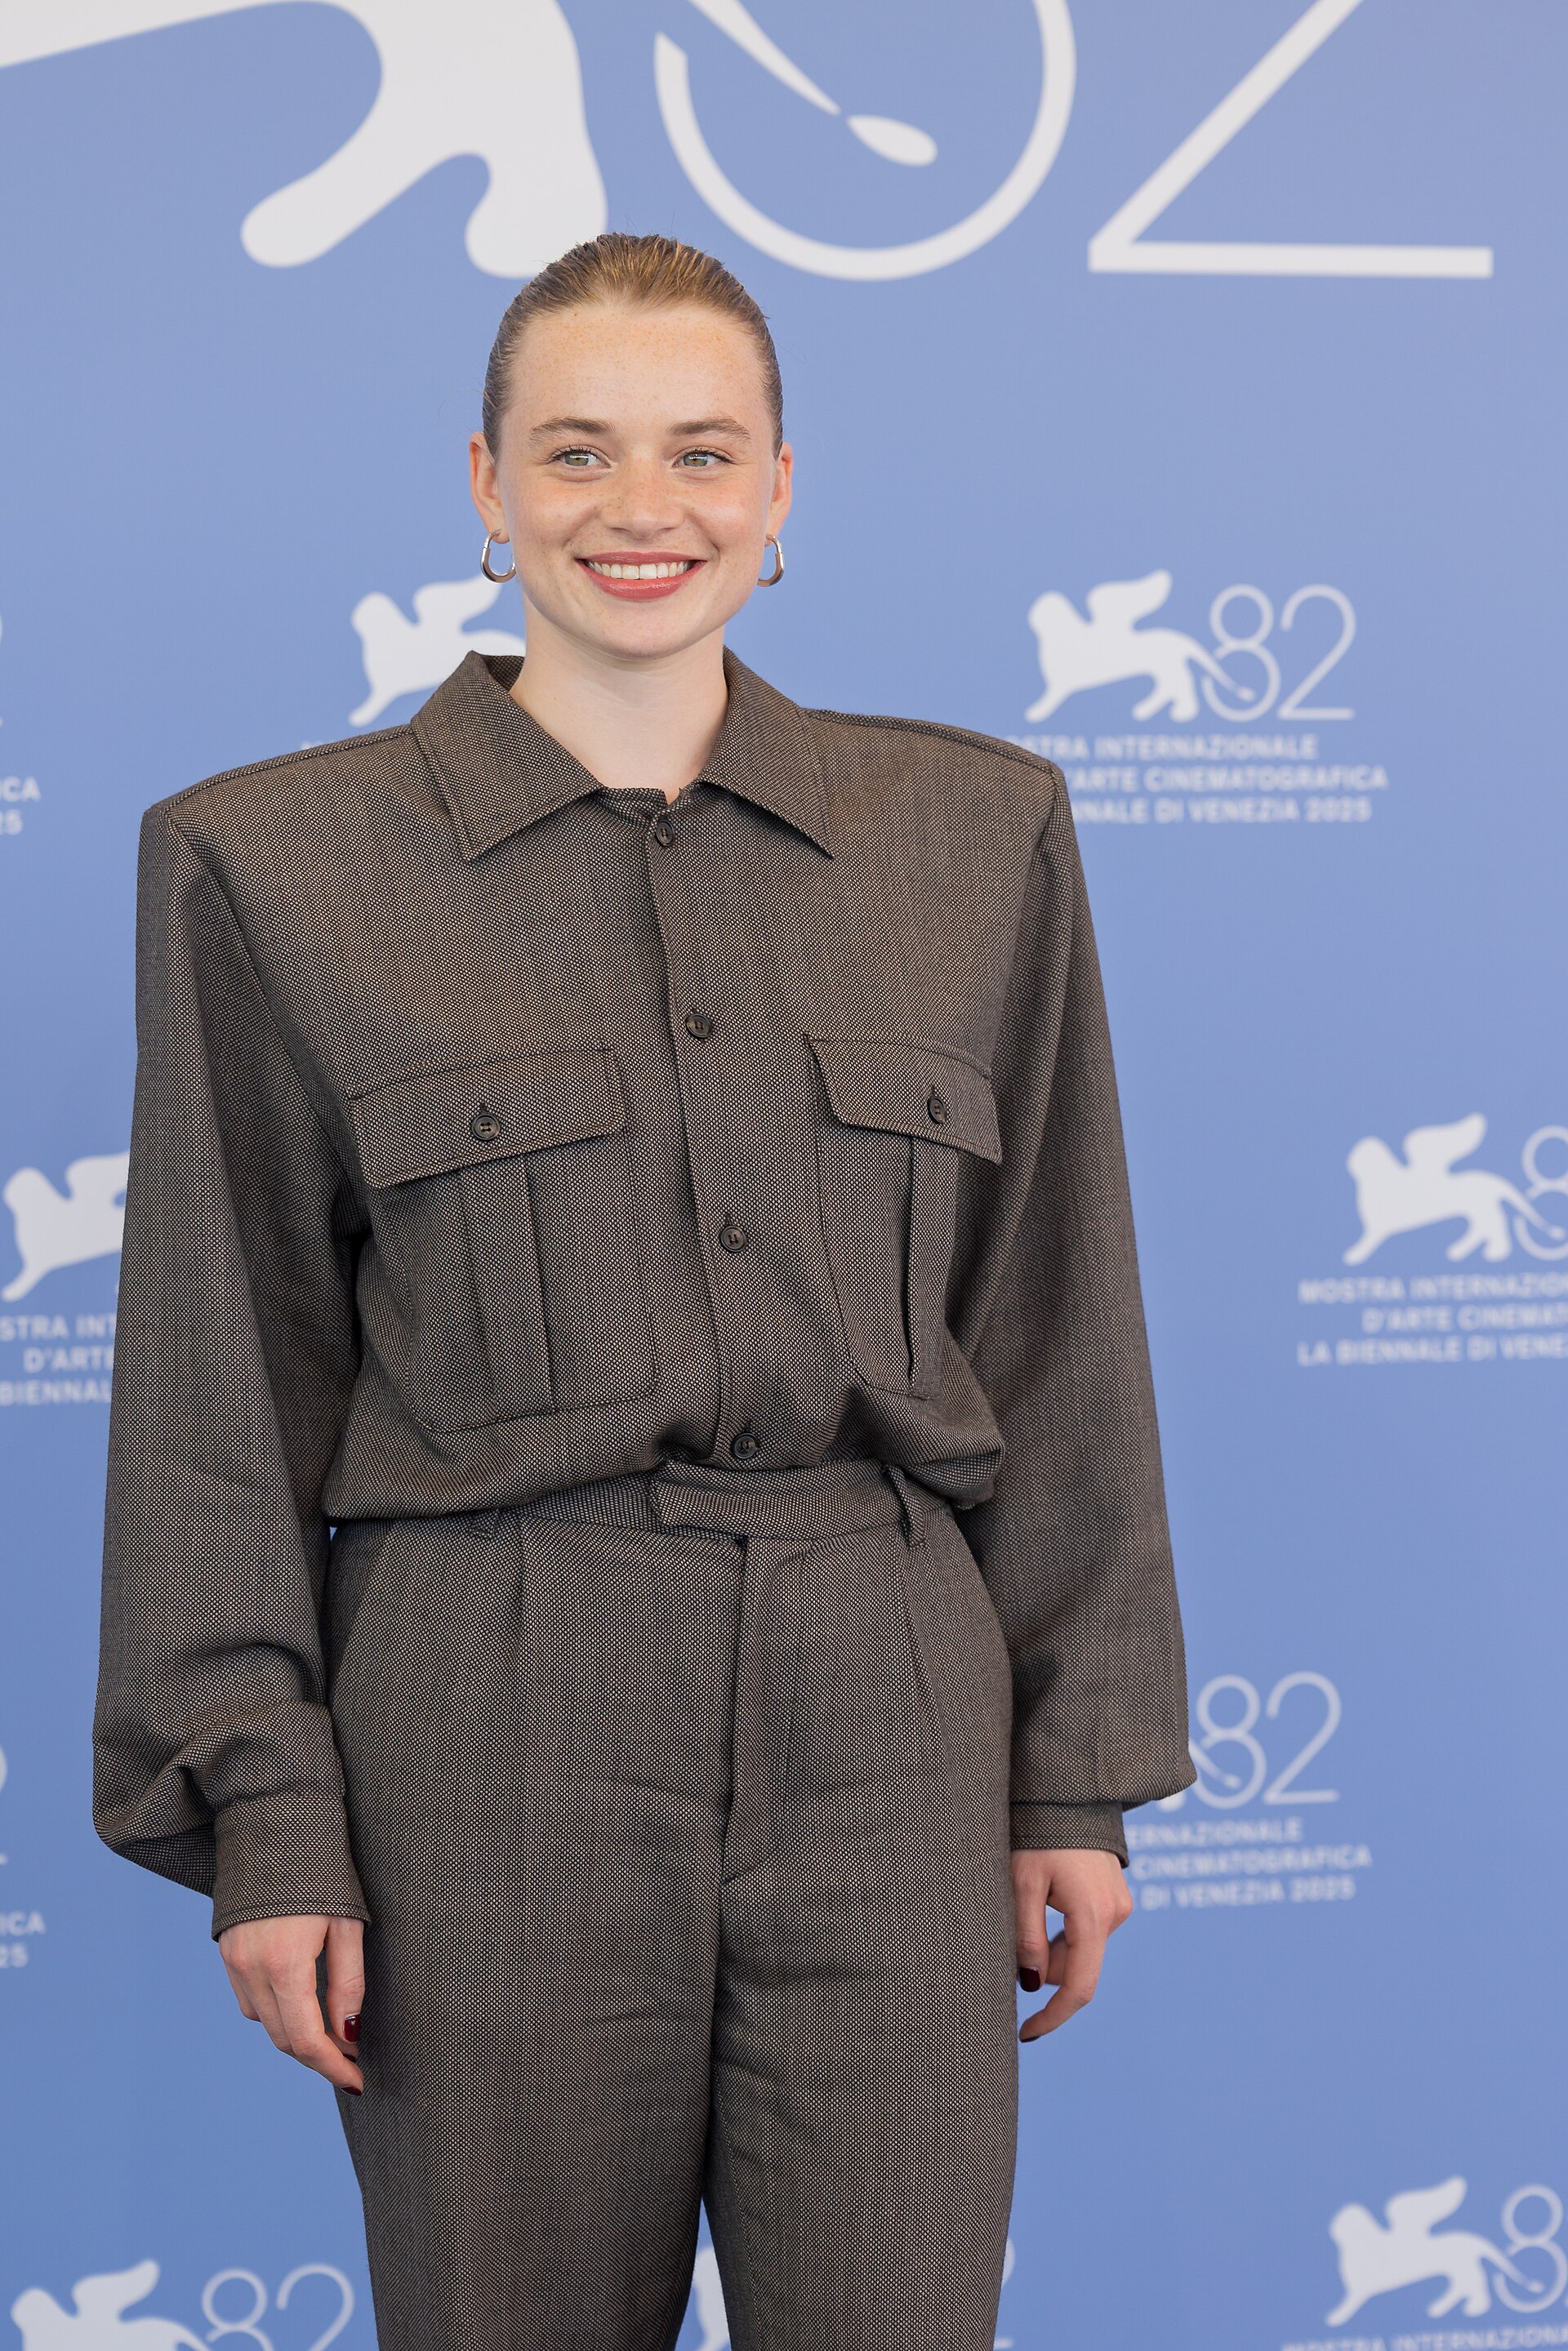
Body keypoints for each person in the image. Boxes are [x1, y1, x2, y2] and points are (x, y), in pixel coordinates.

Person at [94, 231, 1196, 2351]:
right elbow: (215, 1386)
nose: (642, 507)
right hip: (483, 1719)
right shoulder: (267, 865)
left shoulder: (977, 834)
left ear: (783, 489)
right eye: (578, 450)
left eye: (702, 451)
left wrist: (1071, 1773)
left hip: (889, 1714)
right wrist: (270, 1807)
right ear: (486, 483)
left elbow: (1062, 1330)